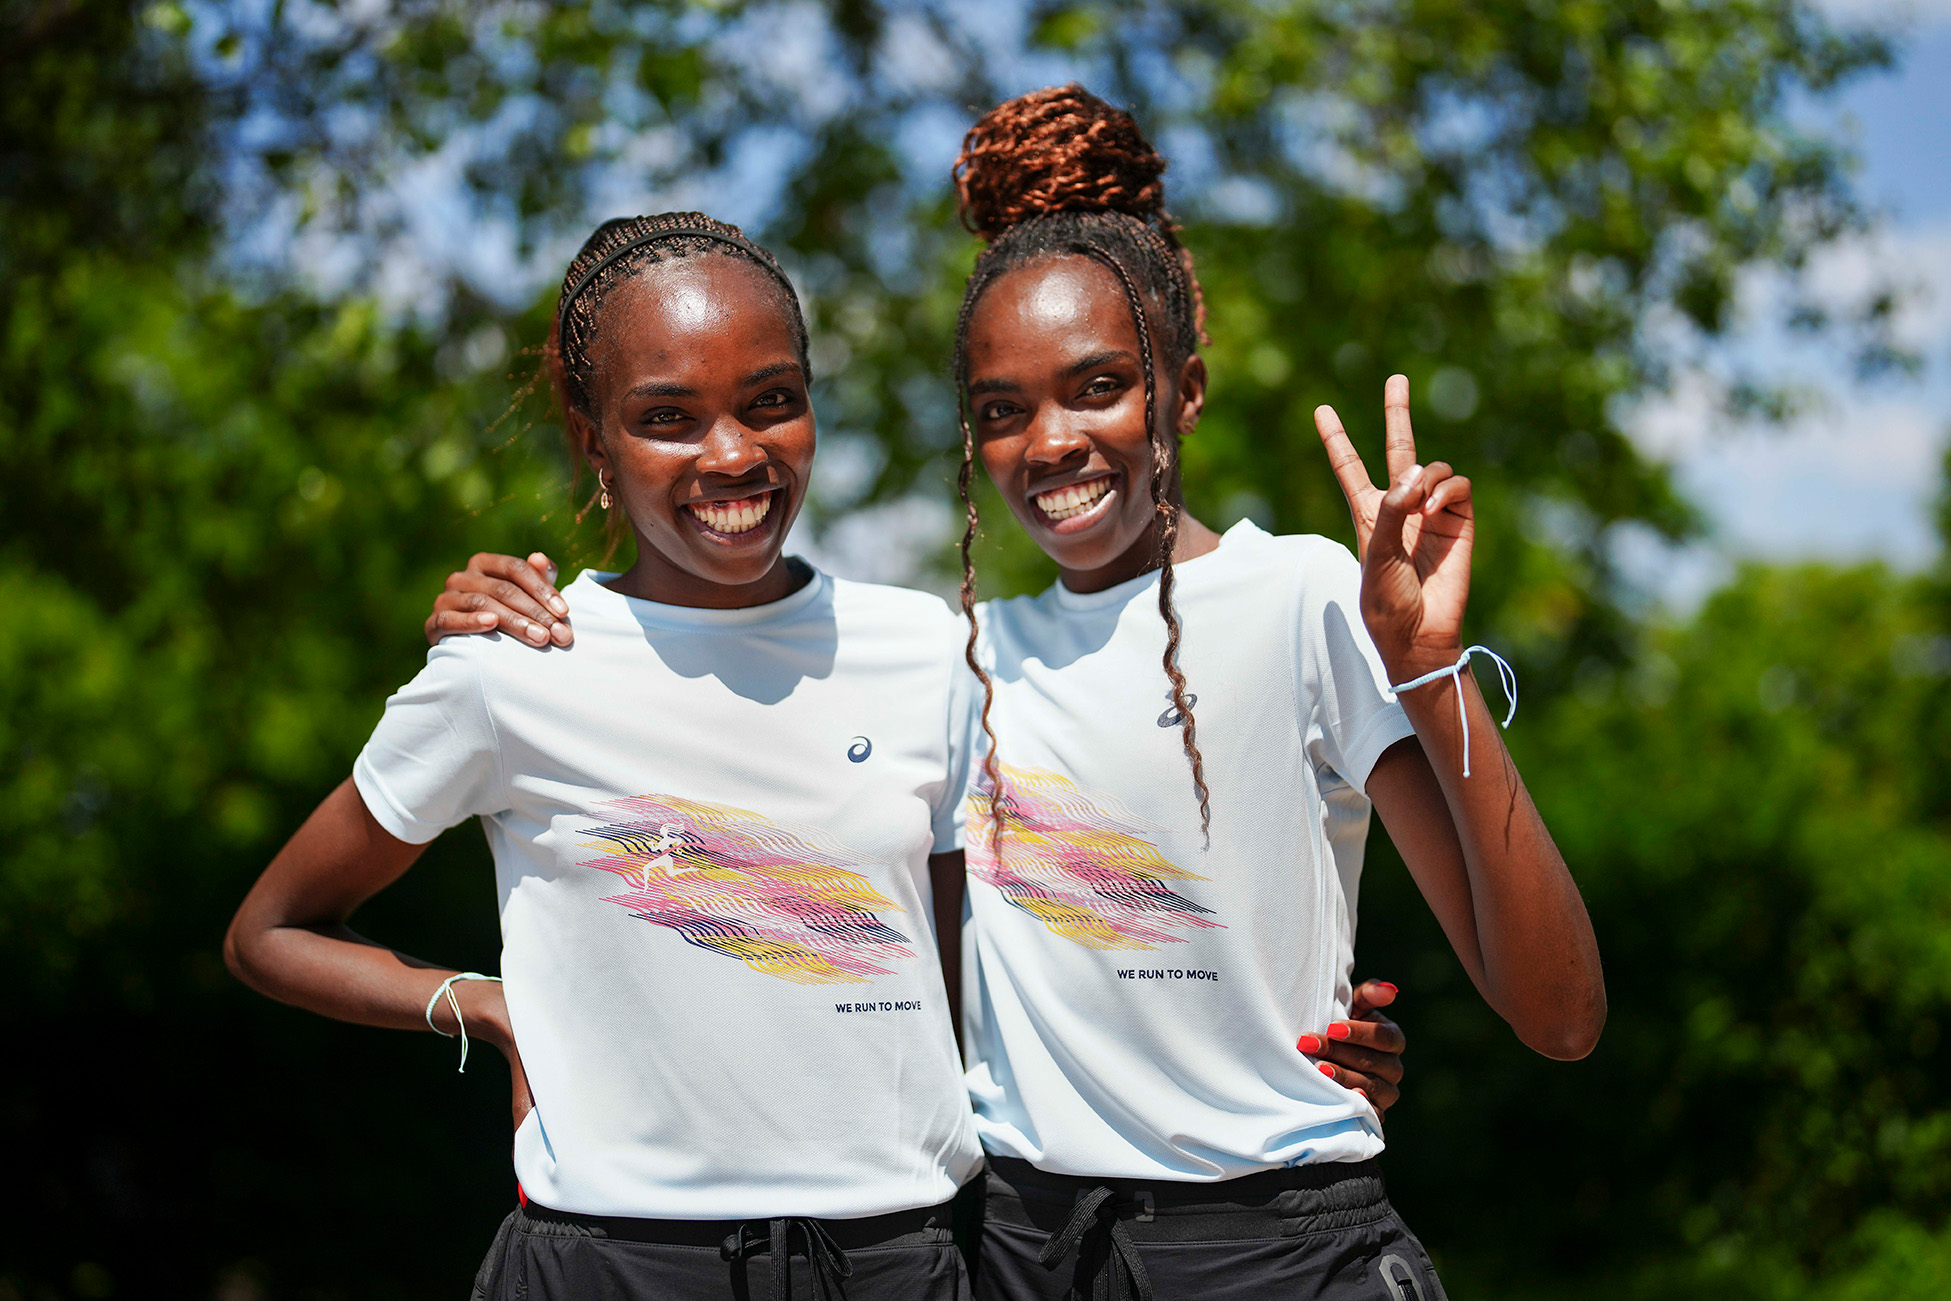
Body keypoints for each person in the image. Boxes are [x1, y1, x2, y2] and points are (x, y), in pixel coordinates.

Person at [434, 85, 1589, 1300]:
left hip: (1283, 1251)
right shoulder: (952, 660)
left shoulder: (1303, 595)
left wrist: (1423, 667)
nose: (1050, 441)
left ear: (1181, 392)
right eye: (1002, 409)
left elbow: (1558, 1013)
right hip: (1016, 1250)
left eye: (1097, 385)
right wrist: (502, 620)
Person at [225, 212, 985, 1300]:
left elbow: (969, 961)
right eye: (667, 418)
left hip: (898, 1262)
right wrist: (477, 1003)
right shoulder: (512, 668)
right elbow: (270, 932)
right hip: (608, 1264)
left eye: (772, 400)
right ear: (592, 439)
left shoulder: (924, 647)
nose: (732, 454)